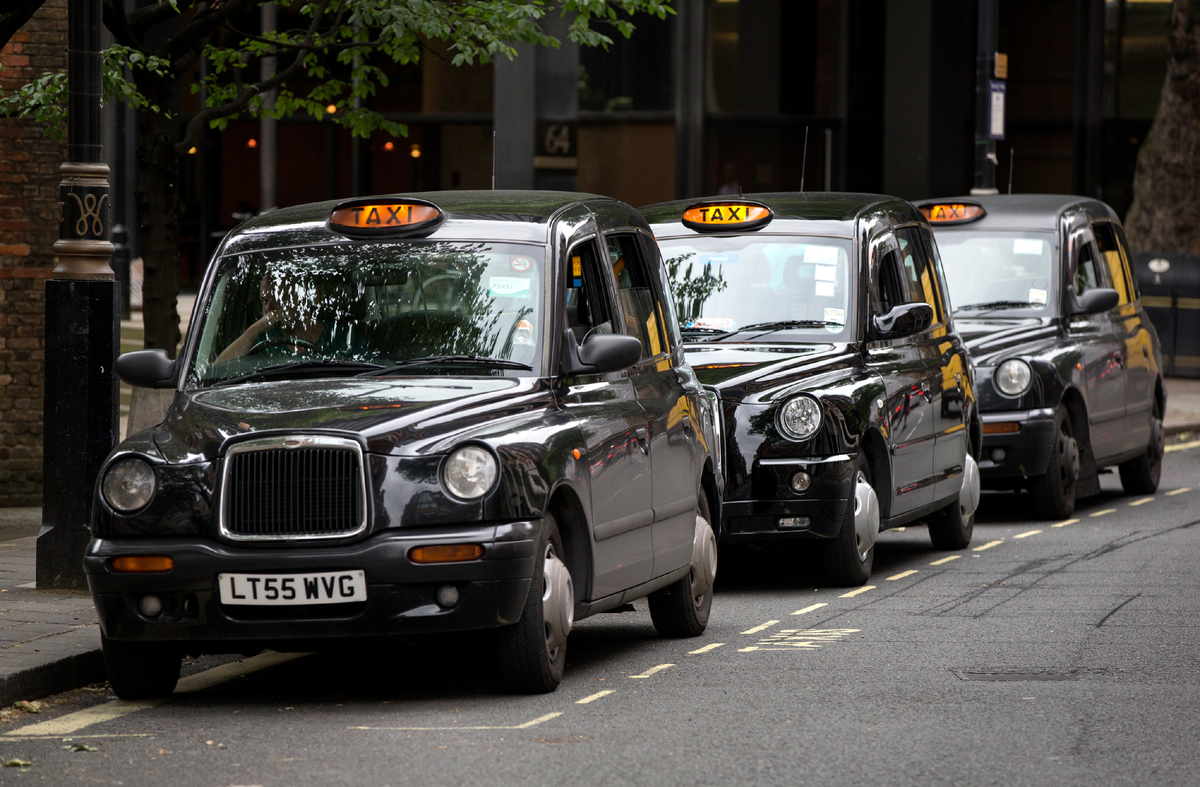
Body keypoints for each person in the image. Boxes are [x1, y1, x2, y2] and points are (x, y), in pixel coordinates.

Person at [215, 275, 326, 363]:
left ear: (300, 299)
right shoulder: (263, 341)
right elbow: (218, 369)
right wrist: (254, 330)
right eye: (265, 300)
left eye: (278, 298)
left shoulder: (336, 336)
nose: (269, 309)